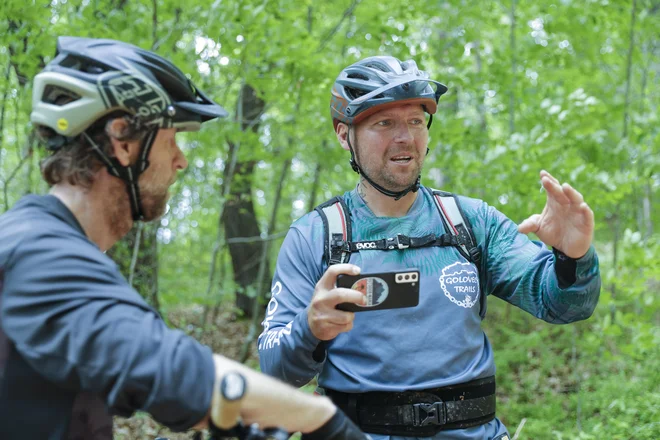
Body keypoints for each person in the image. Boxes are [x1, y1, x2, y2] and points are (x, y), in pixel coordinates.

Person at [0, 36, 368, 440]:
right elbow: (164, 367)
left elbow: (131, 379)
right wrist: (318, 418)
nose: (181, 160)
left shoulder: (44, 244)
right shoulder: (39, 253)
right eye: (171, 139)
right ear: (122, 141)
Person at [258, 55, 601, 440]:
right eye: (384, 122)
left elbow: (562, 304)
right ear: (344, 134)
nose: (405, 137)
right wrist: (309, 328)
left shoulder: (472, 222)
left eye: (415, 121)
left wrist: (573, 258)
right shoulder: (315, 236)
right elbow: (273, 370)